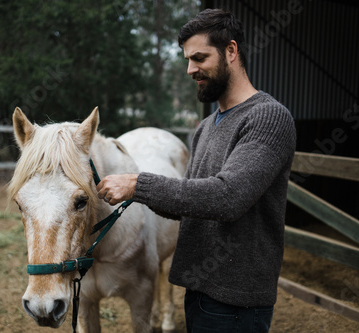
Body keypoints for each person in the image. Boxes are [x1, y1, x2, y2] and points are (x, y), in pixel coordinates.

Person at [96, 8, 296, 333]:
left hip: (236, 299)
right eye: (188, 60)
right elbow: (191, 205)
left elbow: (228, 197)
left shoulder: (267, 118)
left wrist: (138, 185)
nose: (191, 69)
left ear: (231, 51)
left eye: (200, 58)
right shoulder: (205, 128)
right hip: (198, 290)